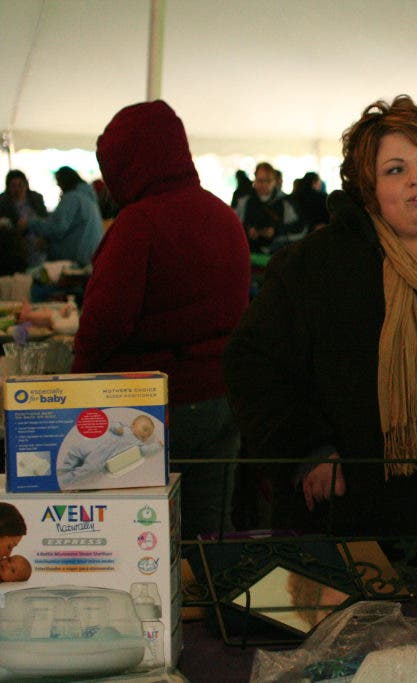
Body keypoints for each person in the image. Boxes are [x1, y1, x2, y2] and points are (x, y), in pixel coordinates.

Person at [225, 95, 417, 624]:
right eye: (395, 169)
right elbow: (251, 363)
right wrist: (307, 446)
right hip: (363, 547)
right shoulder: (315, 269)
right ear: (368, 189)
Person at [72, 99, 251, 542]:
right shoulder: (223, 215)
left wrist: (75, 389)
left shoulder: (139, 223)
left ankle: (158, 612)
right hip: (222, 395)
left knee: (141, 535)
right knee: (209, 532)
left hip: (149, 407)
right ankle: (212, 609)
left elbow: (104, 322)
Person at [21, 166, 103, 267]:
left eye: (58, 181)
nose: (58, 185)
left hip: (77, 260)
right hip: (91, 256)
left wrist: (30, 224)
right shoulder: (88, 197)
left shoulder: (72, 198)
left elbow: (57, 227)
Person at [57, 413, 163, 487]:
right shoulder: (123, 426)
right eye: (145, 429)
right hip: (92, 444)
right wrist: (117, 428)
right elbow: (112, 424)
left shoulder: (138, 443)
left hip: (100, 459)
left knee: (88, 471)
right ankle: (64, 470)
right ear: (133, 424)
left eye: (148, 435)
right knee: (75, 451)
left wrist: (158, 446)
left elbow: (147, 451)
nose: (146, 434)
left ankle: (64, 481)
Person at [235, 161, 304, 253]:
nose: (264, 185)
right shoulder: (244, 201)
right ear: (255, 180)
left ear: (275, 181)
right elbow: (234, 225)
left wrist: (276, 232)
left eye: (268, 181)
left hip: (278, 253)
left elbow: (299, 228)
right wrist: (247, 231)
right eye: (260, 181)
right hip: (250, 252)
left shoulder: (285, 202)